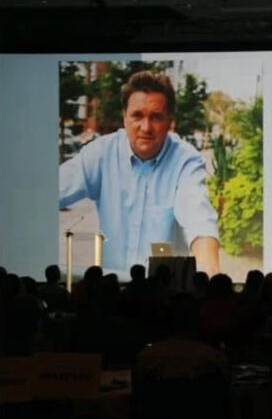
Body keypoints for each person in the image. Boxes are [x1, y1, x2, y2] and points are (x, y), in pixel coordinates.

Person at [59, 70, 220, 276]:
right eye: (137, 115)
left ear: (170, 122)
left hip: (162, 290)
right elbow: (48, 192)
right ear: (124, 117)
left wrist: (209, 274)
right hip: (111, 286)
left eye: (156, 117)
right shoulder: (100, 153)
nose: (146, 127)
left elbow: (199, 218)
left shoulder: (186, 161)